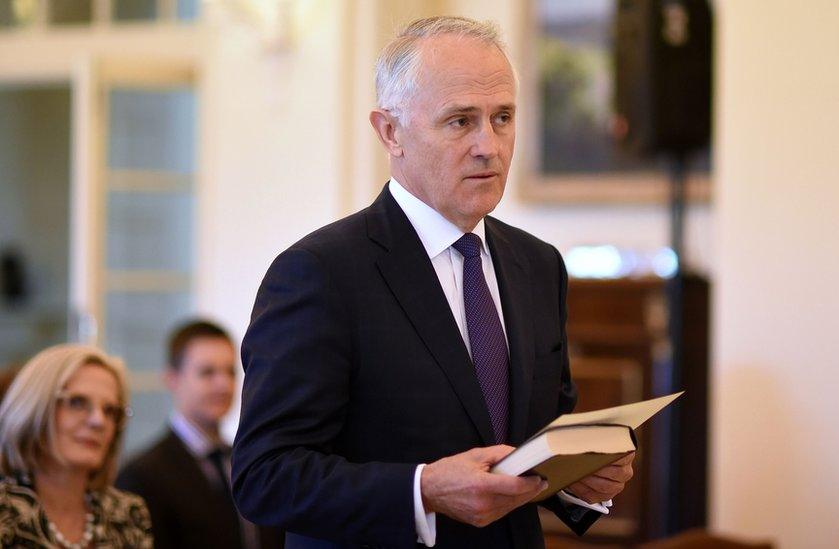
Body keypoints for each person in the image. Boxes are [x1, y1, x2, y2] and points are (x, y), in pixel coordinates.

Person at [232, 15, 635, 548]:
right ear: (391, 132)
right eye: (461, 121)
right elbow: (265, 476)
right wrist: (421, 489)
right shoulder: (320, 273)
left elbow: (535, 444)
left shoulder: (538, 266)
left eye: (503, 117)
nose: (489, 146)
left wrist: (584, 481)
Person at [116, 320, 283, 549]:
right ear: (172, 379)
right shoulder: (142, 475)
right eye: (207, 372)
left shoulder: (249, 461)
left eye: (230, 372)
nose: (224, 384)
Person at [0, 344, 153, 548]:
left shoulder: (128, 513)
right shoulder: (5, 511)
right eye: (77, 402)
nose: (98, 421)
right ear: (35, 408)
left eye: (109, 411)